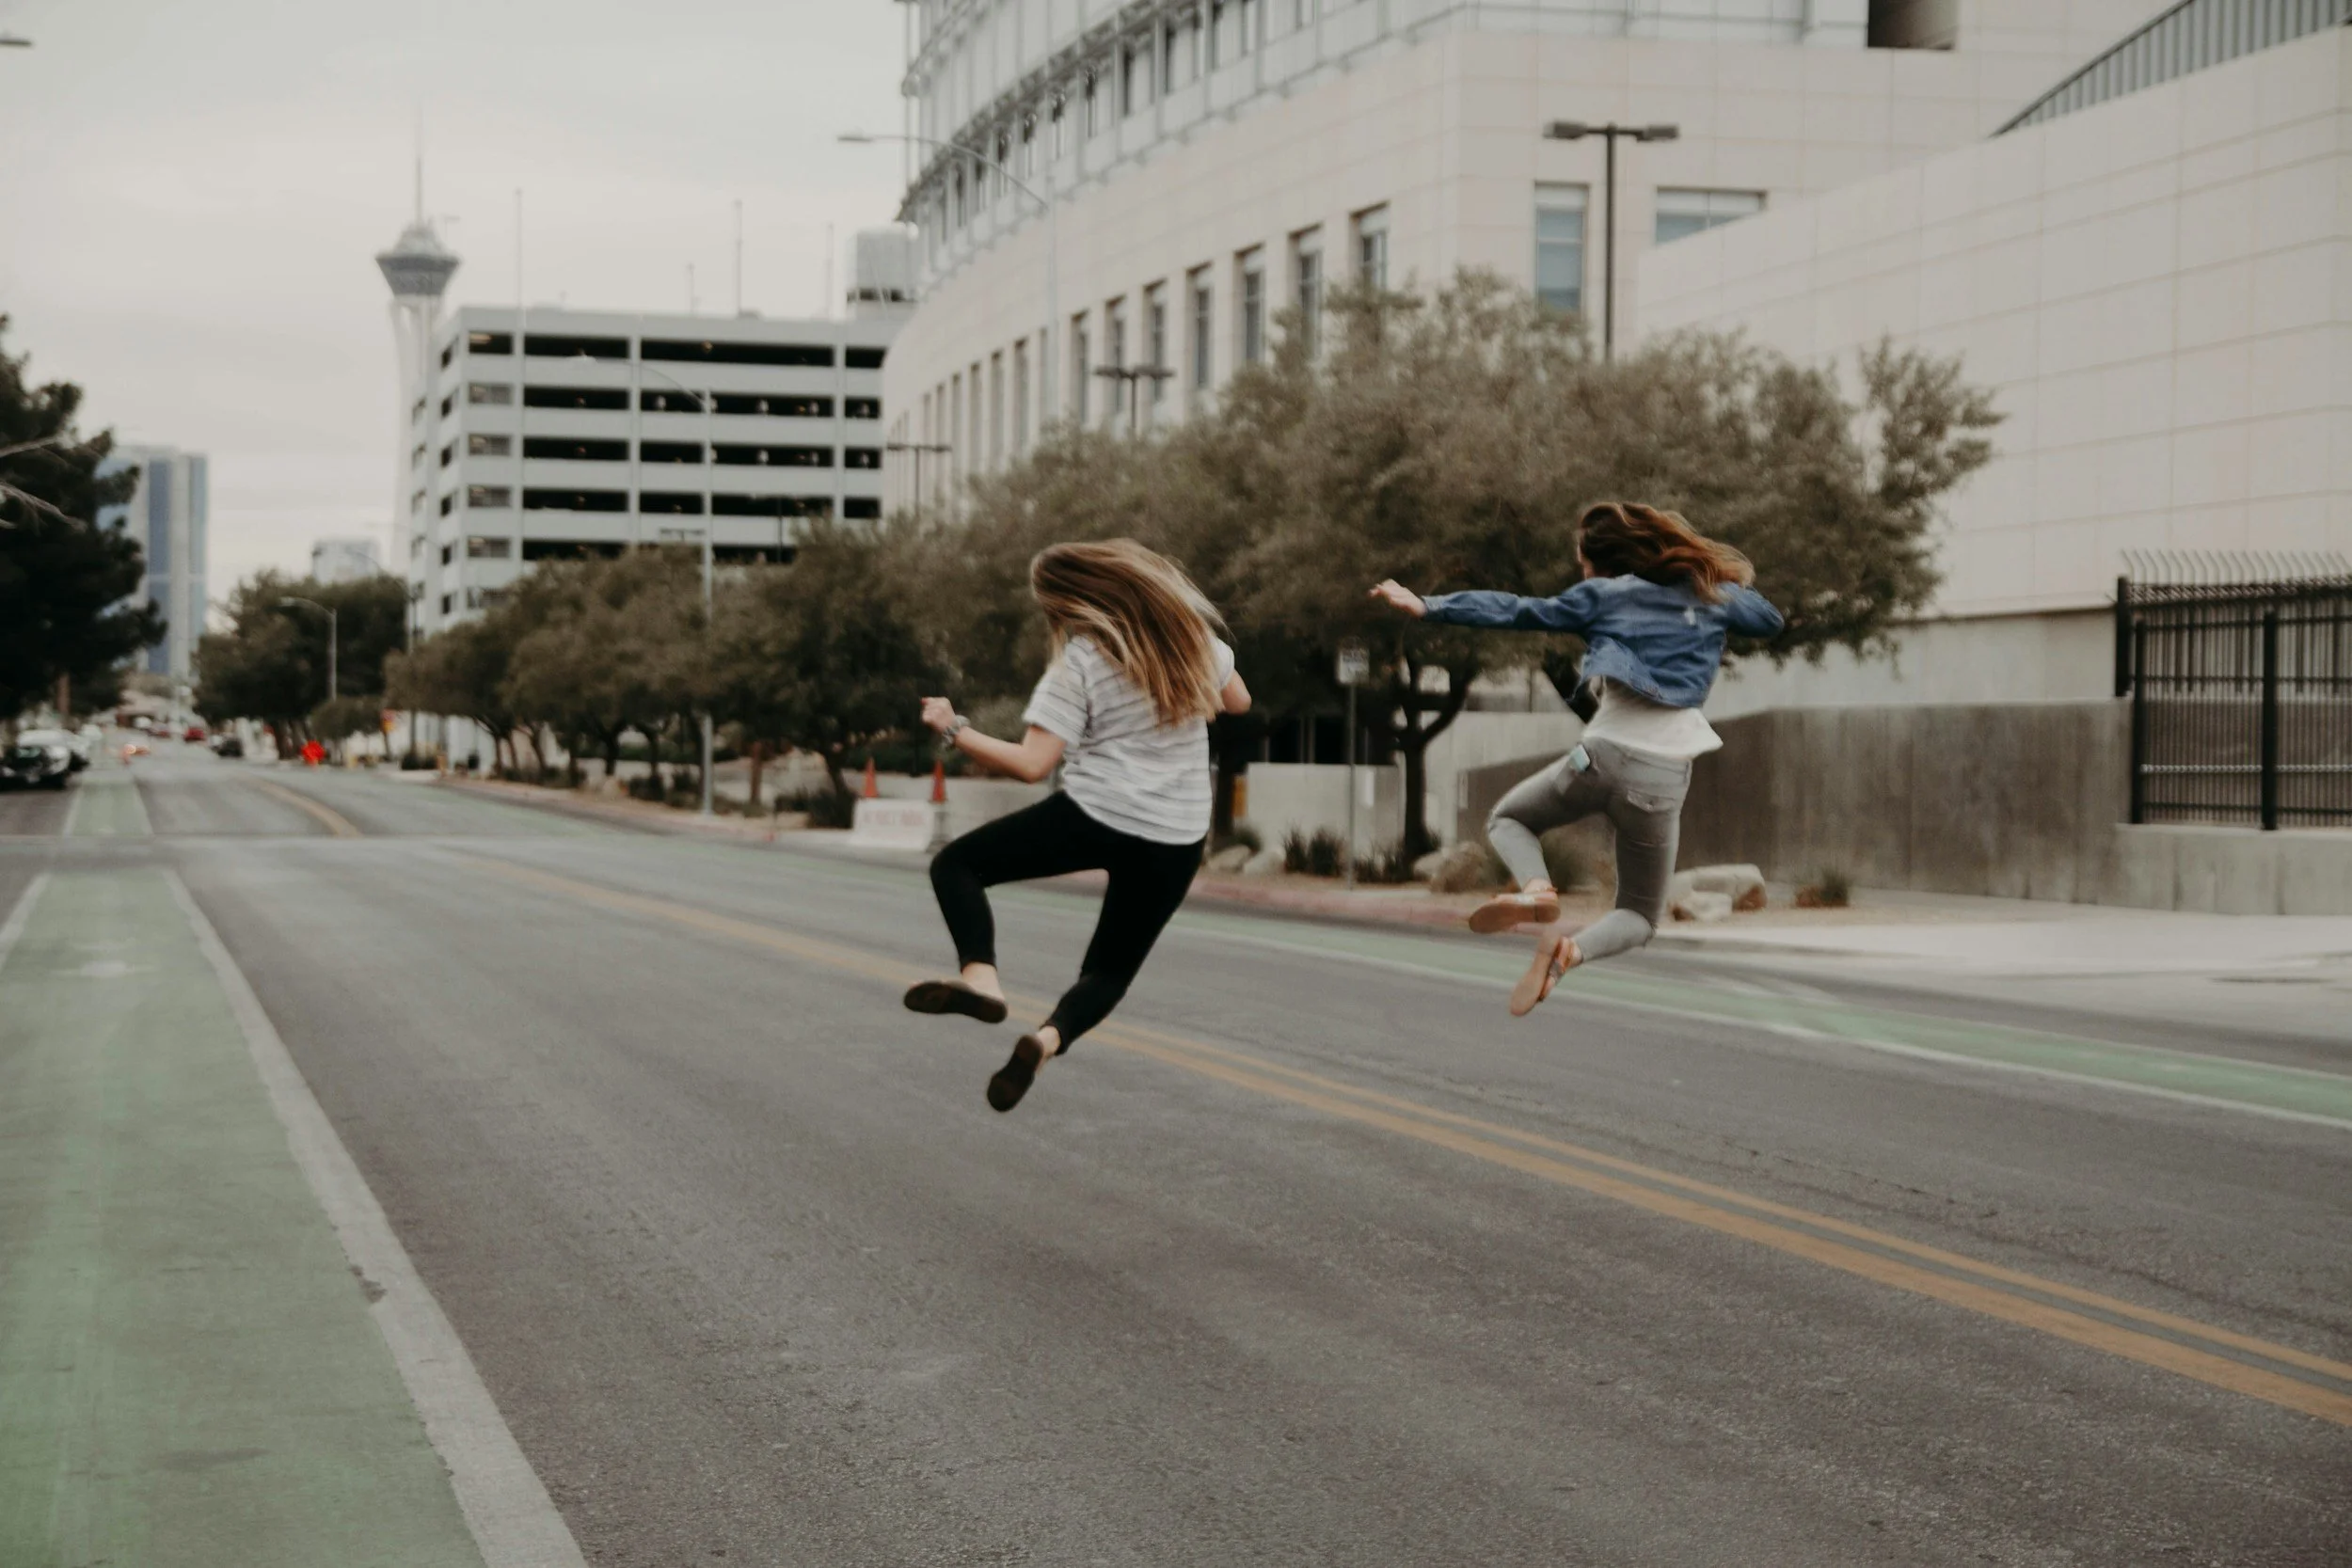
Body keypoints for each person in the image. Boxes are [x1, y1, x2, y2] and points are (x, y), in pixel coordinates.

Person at [1370, 500, 1783, 1016]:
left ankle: (1538, 889)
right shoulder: (1709, 595)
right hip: (1661, 782)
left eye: (1583, 559)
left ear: (1602, 561)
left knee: (1511, 819)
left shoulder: (1602, 595)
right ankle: (1570, 954)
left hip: (1599, 759)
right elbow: (1770, 620)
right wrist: (1712, 582)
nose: (1582, 569)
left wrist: (1430, 605)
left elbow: (1517, 610)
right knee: (1638, 917)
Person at [908, 539, 1251, 1113]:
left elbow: (1031, 765)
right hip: (1177, 835)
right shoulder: (1194, 640)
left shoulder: (1082, 663)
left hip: (1098, 814)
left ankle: (983, 979)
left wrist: (952, 727)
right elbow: (1238, 702)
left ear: (1068, 604)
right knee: (1110, 969)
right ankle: (1045, 1041)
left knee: (957, 864)